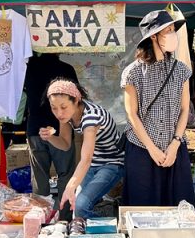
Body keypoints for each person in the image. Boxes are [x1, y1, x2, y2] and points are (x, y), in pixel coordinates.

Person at [121, 10, 194, 207]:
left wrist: (175, 144)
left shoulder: (182, 70)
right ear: (153, 35)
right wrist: (152, 149)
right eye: (168, 30)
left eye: (173, 30)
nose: (173, 35)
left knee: (179, 210)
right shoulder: (132, 73)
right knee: (142, 211)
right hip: (141, 150)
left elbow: (184, 110)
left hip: (175, 148)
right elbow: (132, 114)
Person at [39, 78, 124, 218]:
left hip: (112, 163)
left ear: (76, 100)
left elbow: (86, 159)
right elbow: (65, 144)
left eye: (63, 107)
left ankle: (111, 229)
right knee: (77, 207)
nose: (59, 113)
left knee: (80, 206)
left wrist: (70, 186)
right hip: (93, 163)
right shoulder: (67, 116)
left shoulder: (91, 117)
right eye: (54, 108)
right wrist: (50, 138)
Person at [24, 53, 79, 215]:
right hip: (61, 128)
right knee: (66, 174)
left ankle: (40, 219)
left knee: (39, 177)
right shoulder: (66, 69)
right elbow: (76, 99)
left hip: (35, 128)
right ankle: (65, 218)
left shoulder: (28, 69)